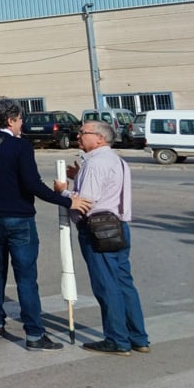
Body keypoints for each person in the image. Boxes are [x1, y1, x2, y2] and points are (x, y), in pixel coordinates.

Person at [0, 98, 91, 350]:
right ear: (10, 120)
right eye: (20, 120)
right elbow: (33, 185)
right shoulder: (20, 147)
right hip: (18, 217)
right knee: (26, 277)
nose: (22, 124)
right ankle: (33, 333)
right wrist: (65, 201)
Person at [69, 120, 150, 355]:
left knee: (107, 285)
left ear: (100, 138)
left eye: (83, 133)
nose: (78, 136)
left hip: (99, 228)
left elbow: (86, 201)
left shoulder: (96, 163)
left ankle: (117, 339)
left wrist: (63, 190)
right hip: (118, 226)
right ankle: (138, 337)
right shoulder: (115, 160)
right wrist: (78, 177)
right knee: (124, 283)